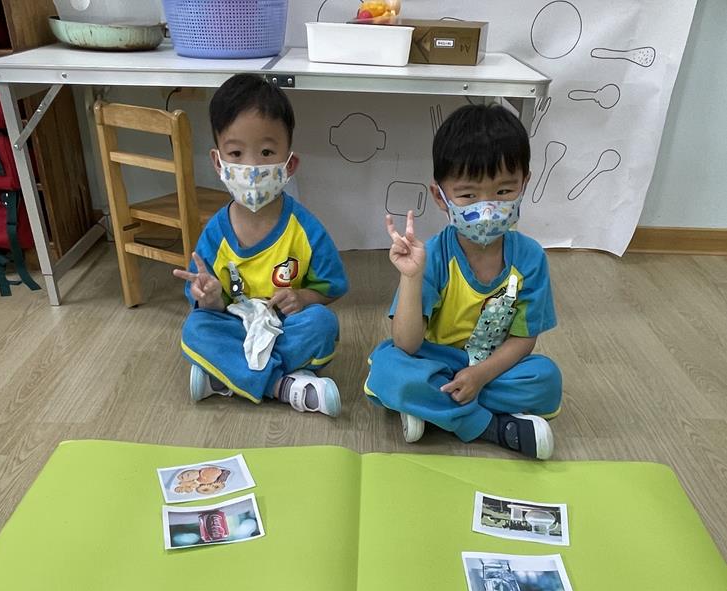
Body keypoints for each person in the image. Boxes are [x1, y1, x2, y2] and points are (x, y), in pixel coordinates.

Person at [364, 103, 562, 458]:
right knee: (388, 367)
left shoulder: (530, 258)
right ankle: (490, 426)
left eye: (503, 192)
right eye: (469, 195)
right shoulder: (435, 254)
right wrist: (411, 277)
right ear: (440, 196)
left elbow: (523, 340)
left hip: (493, 367)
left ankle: (433, 408)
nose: (487, 209)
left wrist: (480, 375)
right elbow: (407, 344)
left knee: (545, 379)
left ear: (524, 184)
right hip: (435, 359)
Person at [174, 74, 348, 416]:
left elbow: (332, 287)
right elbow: (206, 302)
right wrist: (210, 297)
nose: (252, 167)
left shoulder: (306, 229)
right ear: (218, 162)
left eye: (267, 152)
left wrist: (304, 297)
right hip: (234, 327)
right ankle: (281, 386)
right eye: (236, 153)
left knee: (323, 324)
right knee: (196, 328)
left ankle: (227, 379)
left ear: (289, 163)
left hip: (284, 327)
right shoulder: (216, 232)